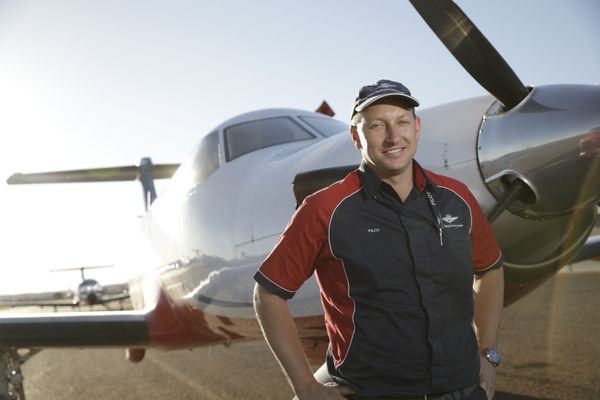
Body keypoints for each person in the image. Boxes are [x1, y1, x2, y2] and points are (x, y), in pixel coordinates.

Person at [253, 79, 504, 400]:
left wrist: (488, 355)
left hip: (464, 390)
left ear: (417, 127)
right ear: (355, 135)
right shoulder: (324, 208)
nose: (393, 136)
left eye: (402, 122)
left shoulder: (458, 198)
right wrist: (306, 387)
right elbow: (268, 293)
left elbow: (490, 269)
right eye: (377, 125)